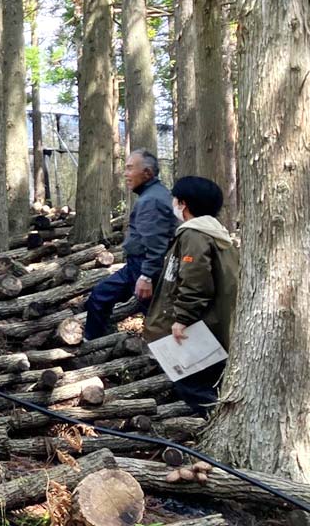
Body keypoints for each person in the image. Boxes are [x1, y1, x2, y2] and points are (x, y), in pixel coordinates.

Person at [142, 176, 238, 415]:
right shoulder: (214, 232)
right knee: (205, 381)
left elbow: (195, 280)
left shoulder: (194, 235)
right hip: (215, 322)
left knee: (191, 384)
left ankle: (217, 424)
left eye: (175, 199)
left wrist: (182, 318)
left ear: (183, 204)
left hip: (202, 325)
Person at [83, 149, 179, 340]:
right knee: (101, 297)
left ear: (147, 173)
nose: (125, 174)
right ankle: (96, 344)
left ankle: (184, 362)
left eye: (129, 168)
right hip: (138, 266)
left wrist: (147, 276)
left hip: (146, 267)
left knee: (156, 317)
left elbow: (156, 242)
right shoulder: (154, 194)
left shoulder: (152, 200)